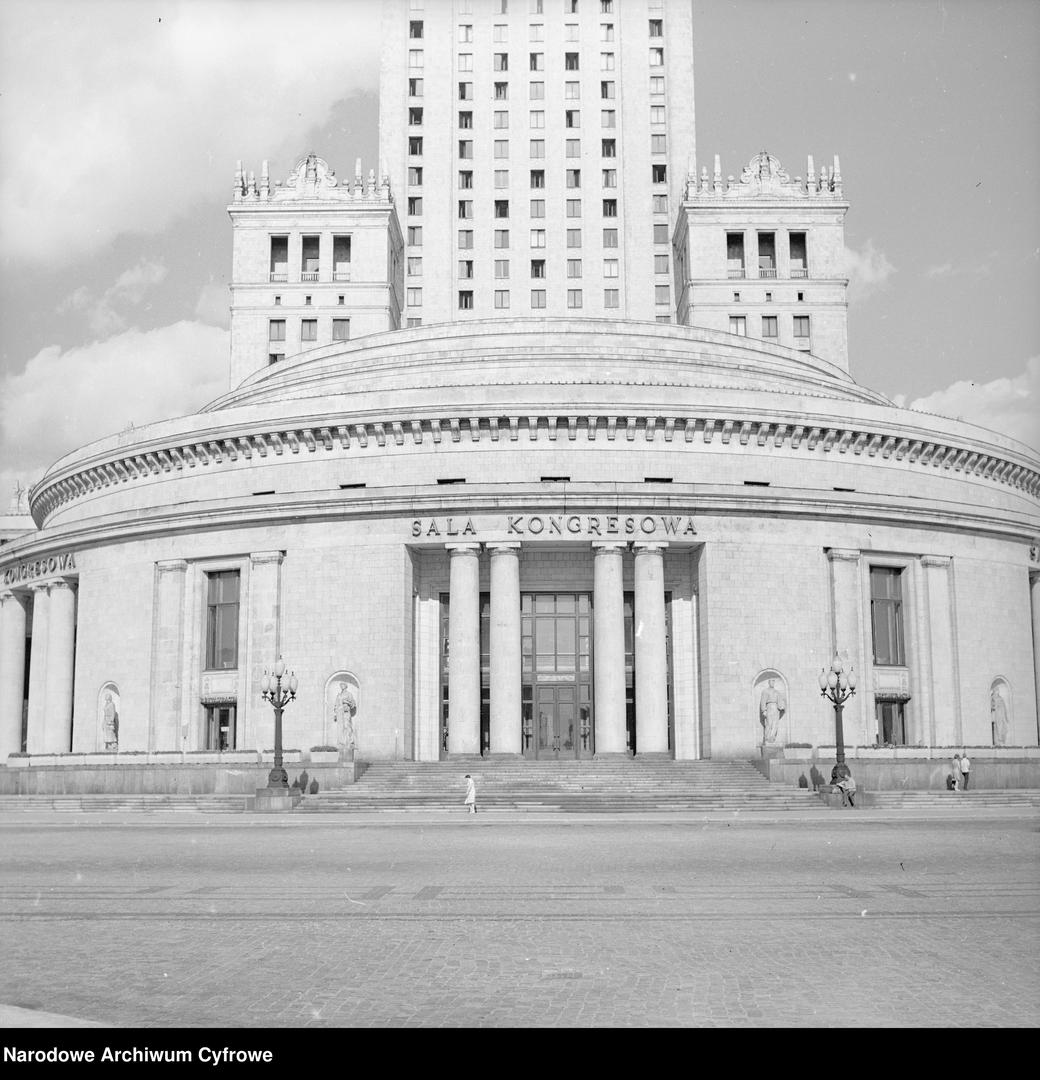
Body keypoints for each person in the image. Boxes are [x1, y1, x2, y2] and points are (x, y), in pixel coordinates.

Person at [758, 678, 786, 744]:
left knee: (775, 724)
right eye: (771, 682)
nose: (772, 683)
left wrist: (782, 707)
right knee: (769, 724)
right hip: (769, 707)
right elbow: (763, 701)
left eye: (773, 682)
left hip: (776, 708)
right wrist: (763, 710)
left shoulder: (777, 692)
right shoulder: (765, 691)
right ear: (769, 683)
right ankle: (767, 739)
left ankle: (772, 739)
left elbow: (780, 701)